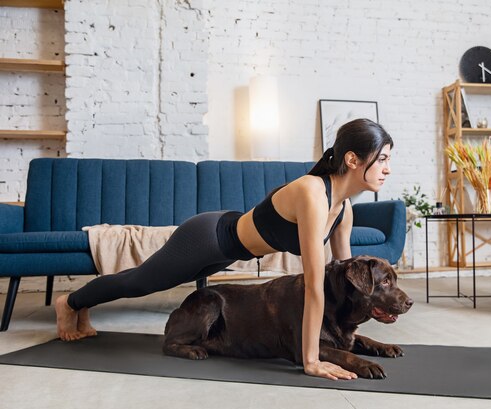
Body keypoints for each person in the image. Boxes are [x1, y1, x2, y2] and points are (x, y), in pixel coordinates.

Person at [55, 118, 393, 381]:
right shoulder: (311, 193)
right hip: (209, 237)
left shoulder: (343, 209)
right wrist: (311, 361)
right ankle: (71, 302)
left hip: (230, 252)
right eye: (382, 160)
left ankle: (81, 306)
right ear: (352, 159)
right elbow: (314, 286)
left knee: (141, 281)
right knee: (141, 282)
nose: (387, 169)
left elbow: (344, 284)